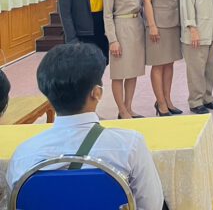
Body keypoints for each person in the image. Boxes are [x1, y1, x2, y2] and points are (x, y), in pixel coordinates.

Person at [5, 43, 164, 210]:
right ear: (97, 93)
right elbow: (152, 205)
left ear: (48, 96)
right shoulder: (130, 145)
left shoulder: (24, 154)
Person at [141, 0, 184, 116]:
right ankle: (160, 103)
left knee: (169, 64)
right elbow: (146, 0)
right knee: (158, 64)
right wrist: (152, 26)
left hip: (174, 23)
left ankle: (168, 99)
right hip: (158, 25)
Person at [103, 0, 146, 119]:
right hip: (120, 27)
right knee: (119, 72)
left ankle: (129, 107)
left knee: (133, 70)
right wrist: (113, 40)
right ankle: (121, 110)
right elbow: (107, 15)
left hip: (137, 26)